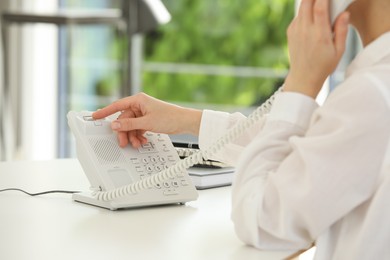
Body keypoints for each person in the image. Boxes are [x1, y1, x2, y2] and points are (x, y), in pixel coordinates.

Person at [93, 0, 390, 258]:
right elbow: (316, 145)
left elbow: (261, 220)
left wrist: (301, 84)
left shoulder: (371, 94)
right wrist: (187, 120)